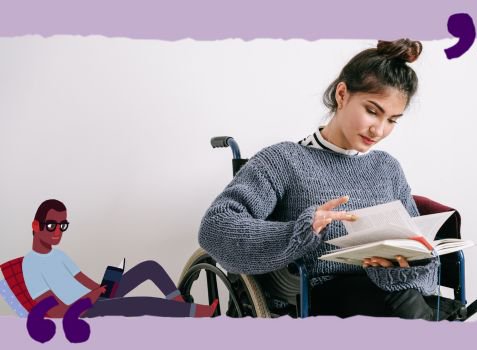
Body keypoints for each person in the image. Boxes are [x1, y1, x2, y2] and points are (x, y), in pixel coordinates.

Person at [199, 39, 443, 320]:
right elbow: (215, 227)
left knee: (406, 301)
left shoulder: (387, 167)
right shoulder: (284, 160)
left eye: (392, 120)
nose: (379, 129)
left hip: (391, 295)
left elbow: (418, 250)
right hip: (316, 295)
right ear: (342, 94)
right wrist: (301, 231)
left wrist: (405, 264)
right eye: (372, 111)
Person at [23, 199, 218, 318]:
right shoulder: (31, 265)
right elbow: (53, 311)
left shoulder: (58, 255)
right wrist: (87, 301)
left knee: (149, 267)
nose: (58, 232)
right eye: (51, 226)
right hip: (78, 312)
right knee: (143, 303)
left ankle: (180, 306)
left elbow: (81, 279)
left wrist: (100, 290)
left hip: (93, 300)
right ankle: (197, 312)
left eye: (62, 226)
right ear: (35, 225)